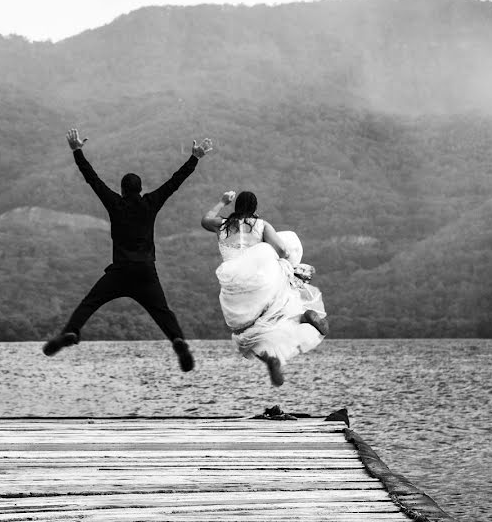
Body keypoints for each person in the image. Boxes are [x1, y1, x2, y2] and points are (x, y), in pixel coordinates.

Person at [43, 128, 214, 373]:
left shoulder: (115, 203)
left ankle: (71, 331)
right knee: (163, 312)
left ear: (123, 190)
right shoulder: (150, 202)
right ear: (140, 189)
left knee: (89, 303)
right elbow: (174, 182)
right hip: (145, 272)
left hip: (120, 271)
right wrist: (194, 158)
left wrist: (77, 151)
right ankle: (178, 340)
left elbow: (93, 179)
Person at [201, 190, 328, 386]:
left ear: (236, 206)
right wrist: (282, 263)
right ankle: (301, 318)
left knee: (244, 332)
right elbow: (283, 250)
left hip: (235, 289)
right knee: (276, 312)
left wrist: (222, 201)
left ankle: (271, 358)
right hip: (261, 282)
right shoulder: (261, 225)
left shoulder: (222, 225)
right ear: (255, 208)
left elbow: (205, 219)